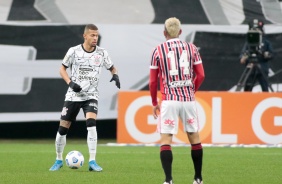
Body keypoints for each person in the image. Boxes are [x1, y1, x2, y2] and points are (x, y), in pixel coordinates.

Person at [49, 24, 120, 171]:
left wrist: (115, 75)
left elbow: (112, 67)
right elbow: (62, 68)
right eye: (92, 35)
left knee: (91, 124)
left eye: (97, 35)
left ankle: (92, 161)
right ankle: (58, 159)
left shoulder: (102, 53)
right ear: (85, 36)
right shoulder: (73, 51)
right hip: (73, 95)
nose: (95, 38)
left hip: (91, 95)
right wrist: (70, 83)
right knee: (63, 128)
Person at [149, 17, 205, 184]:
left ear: (164, 32)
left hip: (169, 100)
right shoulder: (192, 48)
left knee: (166, 140)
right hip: (188, 100)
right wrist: (190, 90)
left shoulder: (158, 50)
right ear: (180, 32)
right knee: (194, 138)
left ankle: (168, 180)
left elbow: (153, 81)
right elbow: (201, 75)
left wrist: (154, 102)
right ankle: (198, 178)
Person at [239, 19, 274, 92]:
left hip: (262, 68)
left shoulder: (266, 42)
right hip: (251, 68)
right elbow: (242, 56)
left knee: (265, 89)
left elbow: (271, 54)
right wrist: (244, 57)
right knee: (247, 89)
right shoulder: (248, 43)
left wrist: (266, 54)